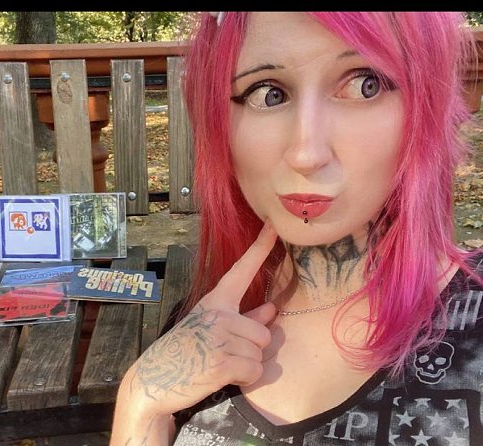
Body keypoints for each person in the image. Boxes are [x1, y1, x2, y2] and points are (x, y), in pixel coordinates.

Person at [111, 12, 483, 445]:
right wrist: (141, 402)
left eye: (366, 85)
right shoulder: (207, 321)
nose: (306, 154)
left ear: (425, 107)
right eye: (267, 94)